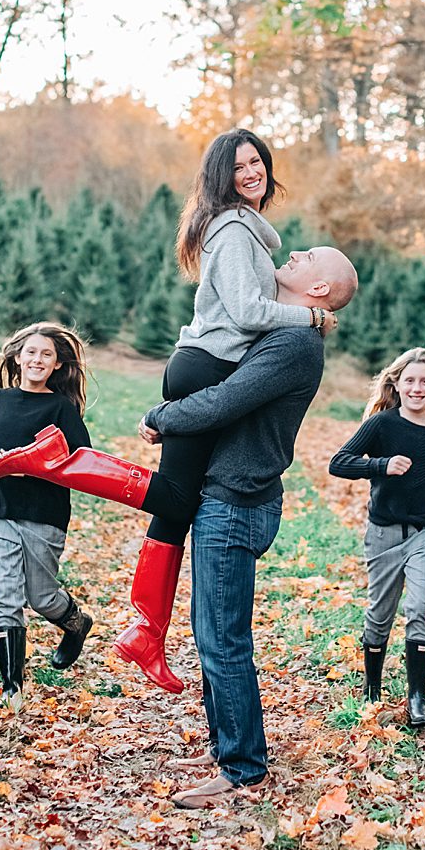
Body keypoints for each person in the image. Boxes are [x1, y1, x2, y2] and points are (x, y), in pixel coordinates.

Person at [0, 131, 336, 696]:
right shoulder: (230, 230)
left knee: (178, 508)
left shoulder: (247, 232)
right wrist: (312, 320)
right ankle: (57, 464)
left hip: (205, 365)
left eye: (258, 162)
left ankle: (148, 631)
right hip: (203, 367)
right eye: (240, 165)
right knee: (176, 498)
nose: (252, 172)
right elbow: (248, 313)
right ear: (221, 175)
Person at [139, 245, 358, 808]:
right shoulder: (281, 331)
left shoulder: (294, 342)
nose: (297, 252)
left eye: (311, 257)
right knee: (211, 632)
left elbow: (226, 401)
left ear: (318, 291)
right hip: (230, 495)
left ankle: (242, 769)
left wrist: (161, 417)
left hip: (237, 501)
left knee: (223, 640)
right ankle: (226, 748)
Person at [328, 347, 425, 728]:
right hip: (385, 534)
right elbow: (339, 463)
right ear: (397, 384)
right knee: (380, 613)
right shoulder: (382, 426)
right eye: (410, 381)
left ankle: (416, 699)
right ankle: (372, 688)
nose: (418, 388)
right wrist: (381, 465)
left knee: (421, 606)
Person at [0, 322, 94, 710]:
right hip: (1, 507)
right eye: (31, 353)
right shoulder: (0, 399)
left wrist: (34, 466)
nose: (37, 359)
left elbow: (80, 458)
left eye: (46, 355)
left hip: (44, 513)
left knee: (40, 596)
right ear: (17, 357)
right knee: (5, 594)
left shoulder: (60, 407)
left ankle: (75, 623)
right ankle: (12, 689)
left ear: (56, 365)